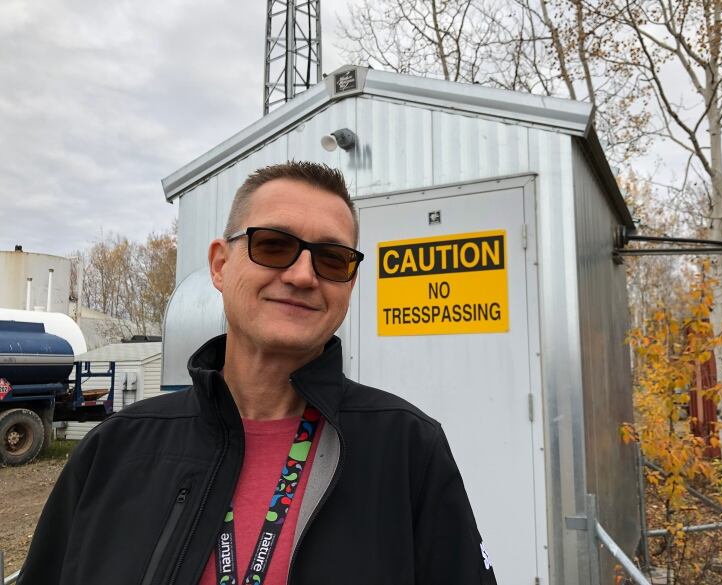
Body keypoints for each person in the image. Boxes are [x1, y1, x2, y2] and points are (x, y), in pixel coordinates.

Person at [18, 161, 497, 585]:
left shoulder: (408, 450)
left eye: (332, 258)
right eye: (273, 245)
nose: (304, 275)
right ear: (220, 265)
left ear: (349, 285)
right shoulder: (117, 449)